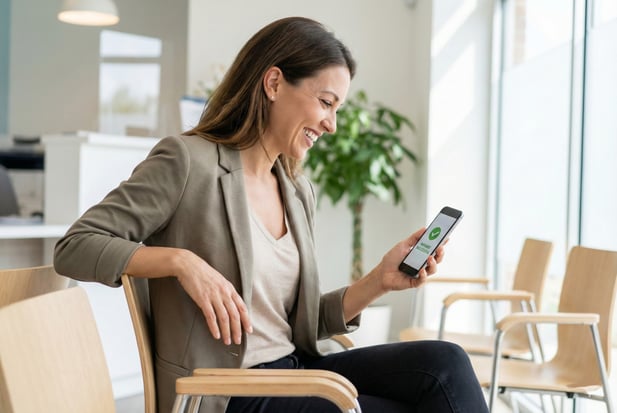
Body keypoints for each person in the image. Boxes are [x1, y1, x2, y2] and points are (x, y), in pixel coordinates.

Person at [54, 16, 489, 413]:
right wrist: (180, 262)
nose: (332, 124)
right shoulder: (188, 161)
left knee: (443, 363)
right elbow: (74, 246)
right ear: (275, 83)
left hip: (293, 370)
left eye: (338, 108)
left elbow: (298, 323)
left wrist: (379, 280)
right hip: (226, 391)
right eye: (325, 102)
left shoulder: (297, 190)